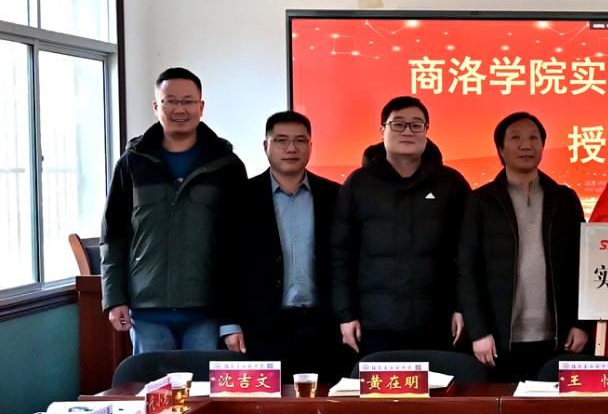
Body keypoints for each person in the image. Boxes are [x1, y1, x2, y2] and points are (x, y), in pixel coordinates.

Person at [100, 67, 246, 352]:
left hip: (207, 309)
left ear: (201, 107)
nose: (180, 109)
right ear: (156, 106)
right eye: (170, 101)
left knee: (204, 382)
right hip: (147, 309)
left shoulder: (226, 165)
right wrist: (114, 298)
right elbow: (113, 236)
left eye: (188, 101)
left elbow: (239, 244)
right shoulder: (132, 163)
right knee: (154, 382)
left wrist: (233, 315)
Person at [332, 96, 470, 356]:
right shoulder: (358, 184)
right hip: (374, 323)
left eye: (416, 124)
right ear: (382, 130)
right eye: (398, 124)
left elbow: (467, 253)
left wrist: (462, 307)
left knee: (441, 381)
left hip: (438, 322)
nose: (408, 131)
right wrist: (345, 313)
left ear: (426, 131)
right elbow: (340, 255)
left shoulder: (451, 183)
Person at [217, 111, 348, 381]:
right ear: (265, 145)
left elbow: (346, 260)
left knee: (323, 401)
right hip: (261, 327)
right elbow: (225, 263)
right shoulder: (239, 198)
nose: (291, 148)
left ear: (310, 146)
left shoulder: (335, 195)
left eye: (300, 140)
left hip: (323, 326)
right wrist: (229, 323)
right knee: (268, 402)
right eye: (281, 140)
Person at [458, 112, 587, 382]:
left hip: (558, 336)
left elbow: (582, 264)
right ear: (500, 149)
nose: (526, 145)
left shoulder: (564, 199)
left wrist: (580, 323)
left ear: (543, 145)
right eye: (515, 138)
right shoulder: (480, 201)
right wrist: (479, 332)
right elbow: (467, 269)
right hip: (498, 339)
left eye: (533, 138)